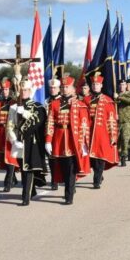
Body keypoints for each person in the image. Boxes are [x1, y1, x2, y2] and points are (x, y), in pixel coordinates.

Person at [45, 76, 90, 205]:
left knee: (71, 169)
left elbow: (84, 125)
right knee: (62, 168)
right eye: (63, 87)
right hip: (59, 140)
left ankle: (68, 196)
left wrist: (83, 143)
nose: (65, 89)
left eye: (67, 87)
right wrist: (48, 140)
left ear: (73, 89)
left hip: (73, 140)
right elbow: (50, 123)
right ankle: (70, 187)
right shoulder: (54, 104)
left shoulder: (79, 105)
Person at [13, 80, 47, 206]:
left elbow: (37, 121)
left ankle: (25, 197)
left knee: (28, 169)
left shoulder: (38, 106)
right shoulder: (15, 106)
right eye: (22, 90)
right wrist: (13, 139)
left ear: (30, 91)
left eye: (26, 90)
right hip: (18, 143)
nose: (23, 92)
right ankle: (31, 191)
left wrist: (25, 113)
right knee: (23, 169)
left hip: (31, 143)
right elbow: (10, 125)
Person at [85, 75, 119, 188]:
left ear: (101, 85)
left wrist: (113, 135)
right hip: (88, 133)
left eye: (97, 85)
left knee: (100, 157)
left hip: (102, 134)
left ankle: (96, 180)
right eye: (93, 85)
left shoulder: (108, 101)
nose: (95, 86)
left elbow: (112, 120)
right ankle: (98, 174)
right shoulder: (86, 100)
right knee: (92, 158)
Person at [0, 79, 19, 192]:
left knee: (10, 157)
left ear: (10, 90)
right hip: (1, 133)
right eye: (3, 90)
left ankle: (7, 183)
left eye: (6, 89)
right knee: (4, 159)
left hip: (11, 133)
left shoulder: (15, 103)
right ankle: (14, 179)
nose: (4, 91)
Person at [45, 78, 62, 191]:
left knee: (62, 157)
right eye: (51, 88)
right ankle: (54, 179)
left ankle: (66, 179)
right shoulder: (46, 101)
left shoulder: (62, 101)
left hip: (59, 132)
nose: (52, 90)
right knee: (51, 158)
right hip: (48, 132)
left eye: (54, 88)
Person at [116, 80, 130, 165]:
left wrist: (119, 97)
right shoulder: (115, 94)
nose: (121, 86)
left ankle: (124, 157)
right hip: (117, 121)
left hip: (126, 121)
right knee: (117, 140)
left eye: (123, 85)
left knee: (125, 139)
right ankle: (117, 156)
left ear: (126, 86)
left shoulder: (129, 94)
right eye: (120, 85)